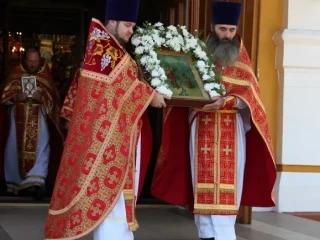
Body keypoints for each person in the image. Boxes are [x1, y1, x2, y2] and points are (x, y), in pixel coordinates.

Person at [151, 2, 277, 240]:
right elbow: (184, 86)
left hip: (231, 130)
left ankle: (224, 235)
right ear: (213, 27)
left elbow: (250, 99)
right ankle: (206, 235)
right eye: (222, 29)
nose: (227, 35)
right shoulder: (198, 54)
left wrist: (226, 102)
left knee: (227, 193)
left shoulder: (241, 58)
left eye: (231, 30)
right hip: (201, 129)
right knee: (202, 189)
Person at [44, 0, 168, 239]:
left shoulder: (114, 50)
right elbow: (117, 90)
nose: (131, 31)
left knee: (117, 197)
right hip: (105, 139)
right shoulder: (104, 49)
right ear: (113, 22)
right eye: (128, 26)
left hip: (116, 135)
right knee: (108, 196)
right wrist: (150, 95)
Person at [0, 47, 62, 199]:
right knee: (13, 150)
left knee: (42, 149)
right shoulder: (15, 72)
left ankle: (36, 182)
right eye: (30, 61)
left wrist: (42, 99)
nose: (33, 64)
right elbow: (4, 97)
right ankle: (15, 183)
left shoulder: (45, 76)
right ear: (25, 60)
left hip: (39, 120)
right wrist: (16, 97)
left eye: (35, 61)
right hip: (18, 121)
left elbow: (54, 100)